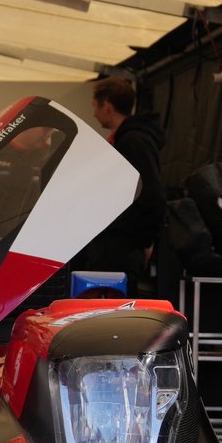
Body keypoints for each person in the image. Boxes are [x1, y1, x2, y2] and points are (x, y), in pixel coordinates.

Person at [75, 76, 166, 296]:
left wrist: (146, 240)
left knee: (114, 311)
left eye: (95, 106)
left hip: (121, 246)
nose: (94, 113)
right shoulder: (125, 140)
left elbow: (152, 193)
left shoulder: (133, 141)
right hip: (115, 243)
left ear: (106, 106)